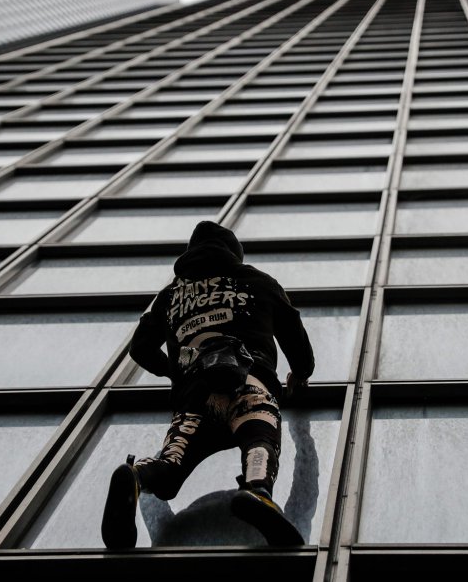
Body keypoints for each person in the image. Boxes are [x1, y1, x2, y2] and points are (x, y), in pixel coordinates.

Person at [101, 221, 314, 548]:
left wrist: (175, 372)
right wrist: (300, 374)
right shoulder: (258, 282)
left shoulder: (172, 293)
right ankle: (257, 492)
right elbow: (294, 334)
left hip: (195, 396)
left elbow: (140, 347)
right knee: (259, 437)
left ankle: (138, 476)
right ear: (234, 254)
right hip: (250, 383)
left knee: (173, 462)